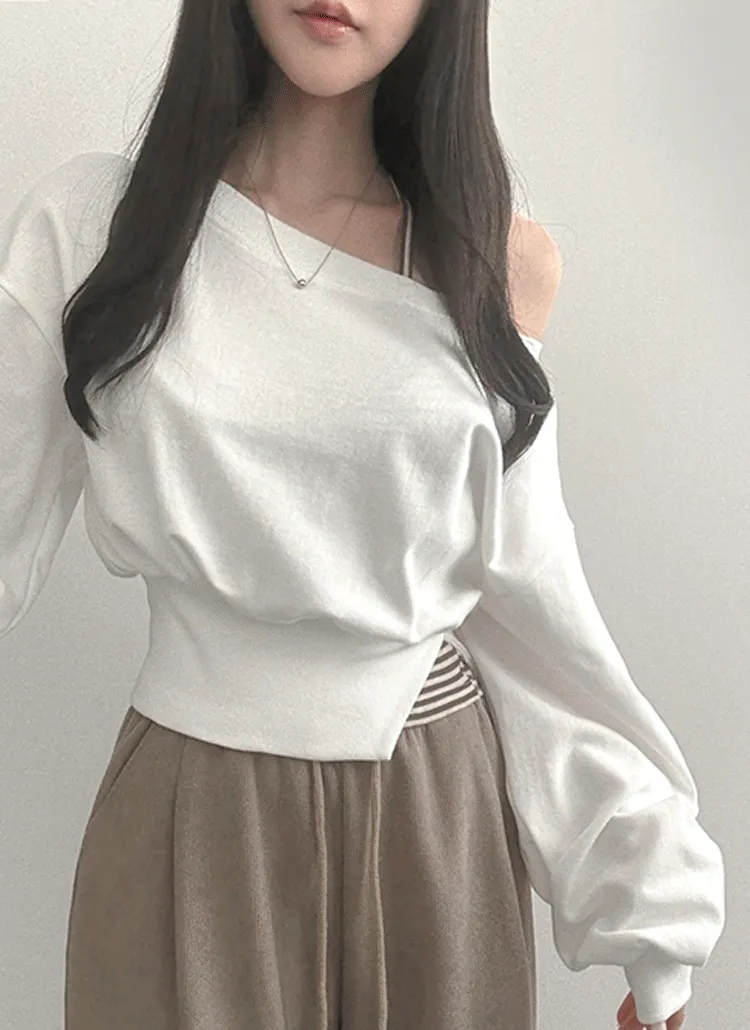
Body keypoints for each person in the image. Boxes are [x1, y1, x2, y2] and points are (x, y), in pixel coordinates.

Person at [0, 0, 725, 1028]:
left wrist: (648, 905)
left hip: (432, 821)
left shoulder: (491, 260)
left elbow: (527, 612)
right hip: (187, 816)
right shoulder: (91, 230)